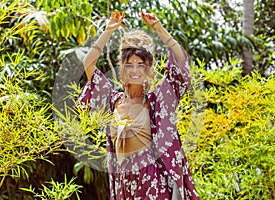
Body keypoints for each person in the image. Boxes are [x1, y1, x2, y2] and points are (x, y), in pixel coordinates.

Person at [77, 10, 199, 200]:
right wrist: (108, 31)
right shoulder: (112, 100)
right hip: (123, 184)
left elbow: (181, 61)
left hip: (152, 183)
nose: (135, 70)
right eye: (129, 64)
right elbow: (88, 63)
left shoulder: (157, 101)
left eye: (141, 64)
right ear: (122, 68)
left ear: (148, 70)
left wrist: (159, 28)